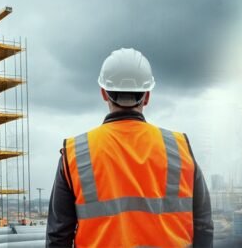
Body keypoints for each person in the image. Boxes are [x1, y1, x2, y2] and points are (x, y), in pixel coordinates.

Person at [46, 48, 213, 247]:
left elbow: (58, 236)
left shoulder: (76, 153)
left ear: (103, 94)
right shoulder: (179, 148)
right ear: (147, 96)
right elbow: (203, 225)